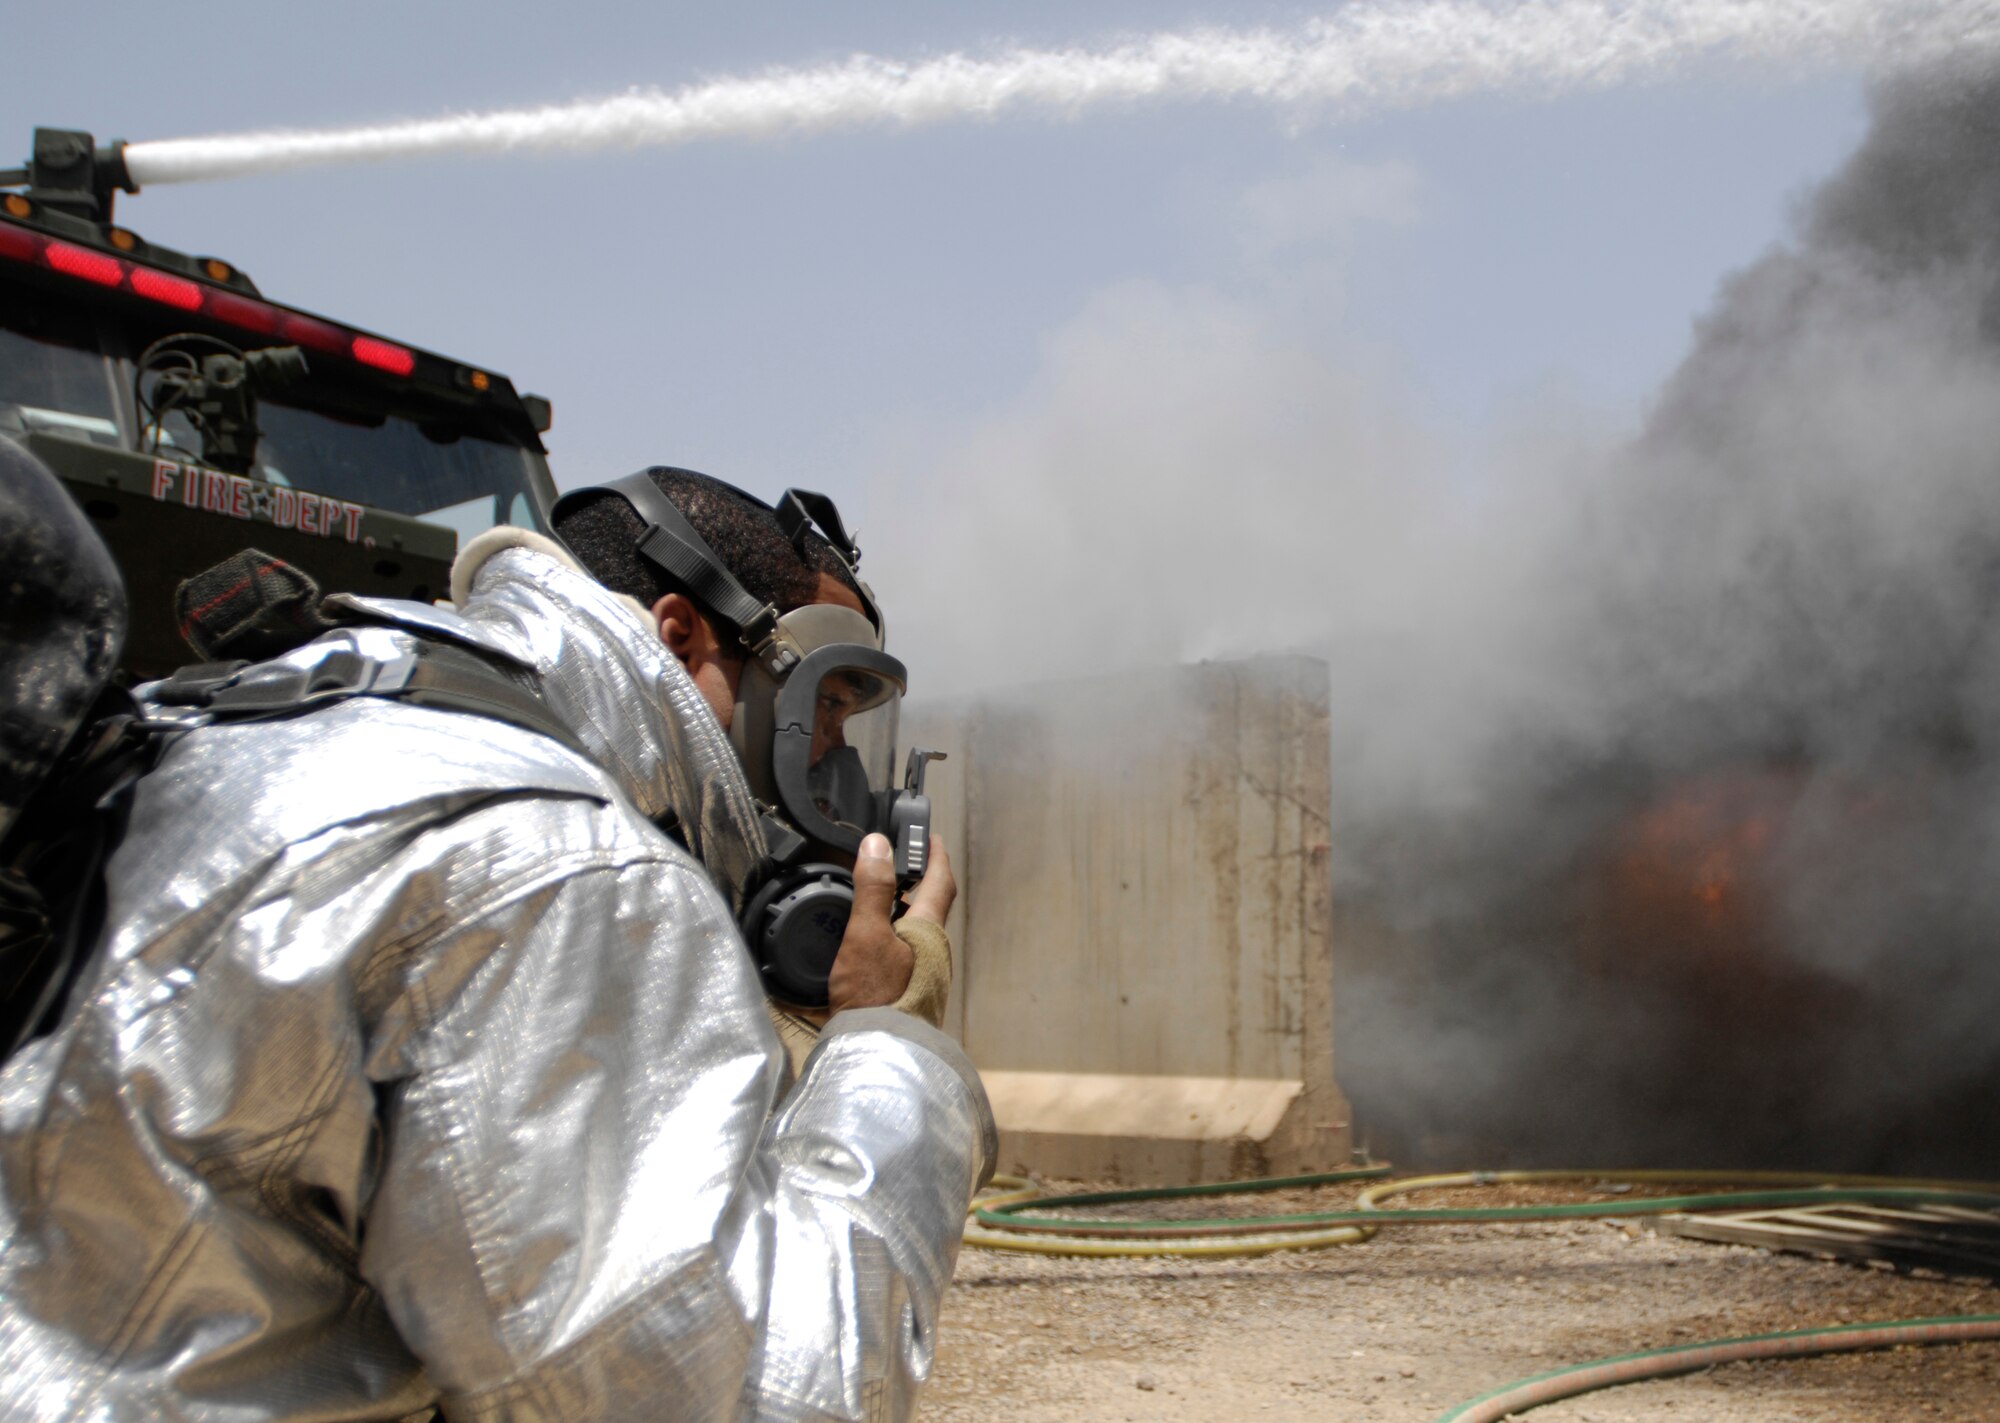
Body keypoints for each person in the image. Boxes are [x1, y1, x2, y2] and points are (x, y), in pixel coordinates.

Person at [0, 464, 994, 1421]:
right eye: (819, 701)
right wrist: (882, 1045)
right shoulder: (544, 856)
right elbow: (750, 1394)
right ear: (682, 633)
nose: (826, 752)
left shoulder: (291, 709)